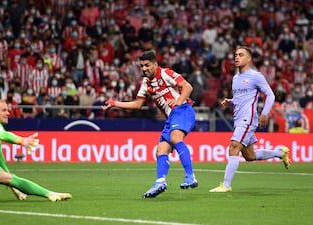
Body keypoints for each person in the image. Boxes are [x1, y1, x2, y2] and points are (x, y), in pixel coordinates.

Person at [102, 50, 198, 198]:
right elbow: (138, 104)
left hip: (183, 110)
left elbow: (188, 87)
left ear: (155, 64)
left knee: (175, 138)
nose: (144, 69)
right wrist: (115, 103)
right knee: (160, 150)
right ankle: (160, 182)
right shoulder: (146, 83)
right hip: (171, 118)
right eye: (142, 66)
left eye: (147, 65)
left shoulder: (165, 73)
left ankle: (190, 176)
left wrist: (178, 101)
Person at [209, 46, 290, 193]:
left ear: (249, 59)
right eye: (235, 55)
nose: (237, 57)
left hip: (248, 118)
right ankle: (280, 153)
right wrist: (231, 101)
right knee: (250, 156)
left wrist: (265, 113)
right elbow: (242, 98)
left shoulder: (255, 76)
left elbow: (270, 95)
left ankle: (225, 185)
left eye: (241, 55)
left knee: (234, 147)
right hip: (238, 118)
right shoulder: (235, 78)